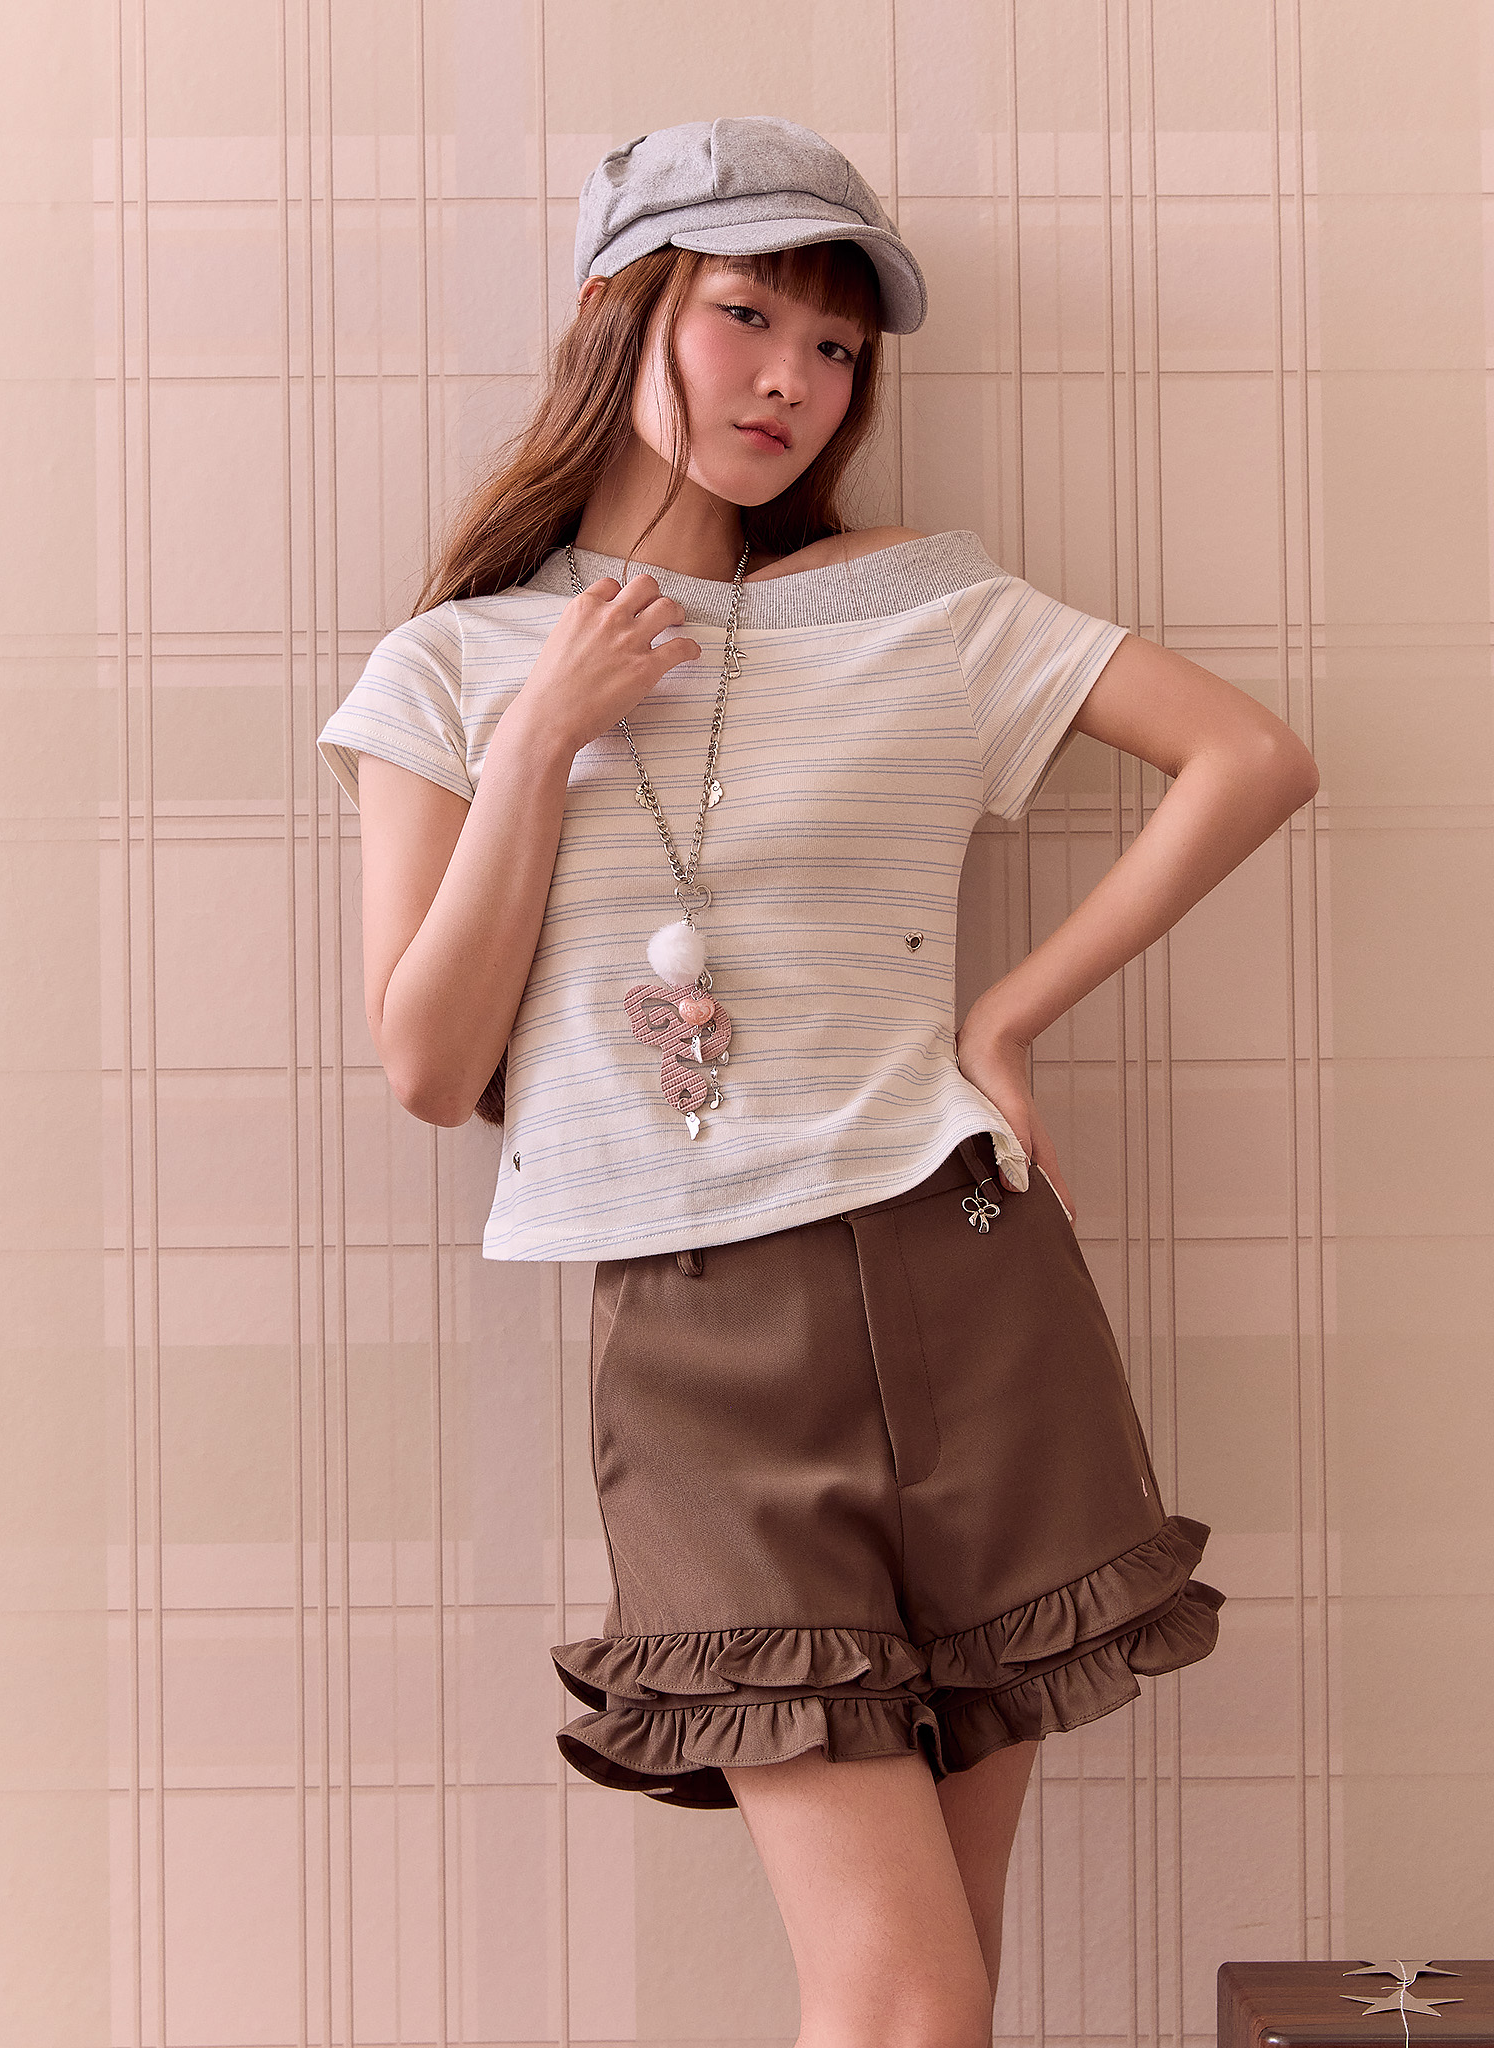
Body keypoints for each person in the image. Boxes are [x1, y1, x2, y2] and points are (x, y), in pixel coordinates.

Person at [317, 114, 1317, 2048]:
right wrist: (539, 743)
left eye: (838, 344)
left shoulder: (921, 609)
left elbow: (1252, 760)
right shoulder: (455, 668)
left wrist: (1003, 1023)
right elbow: (430, 1065)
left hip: (970, 1264)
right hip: (704, 1331)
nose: (793, 379)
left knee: (944, 1978)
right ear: (620, 312)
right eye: (746, 315)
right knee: (905, 1994)